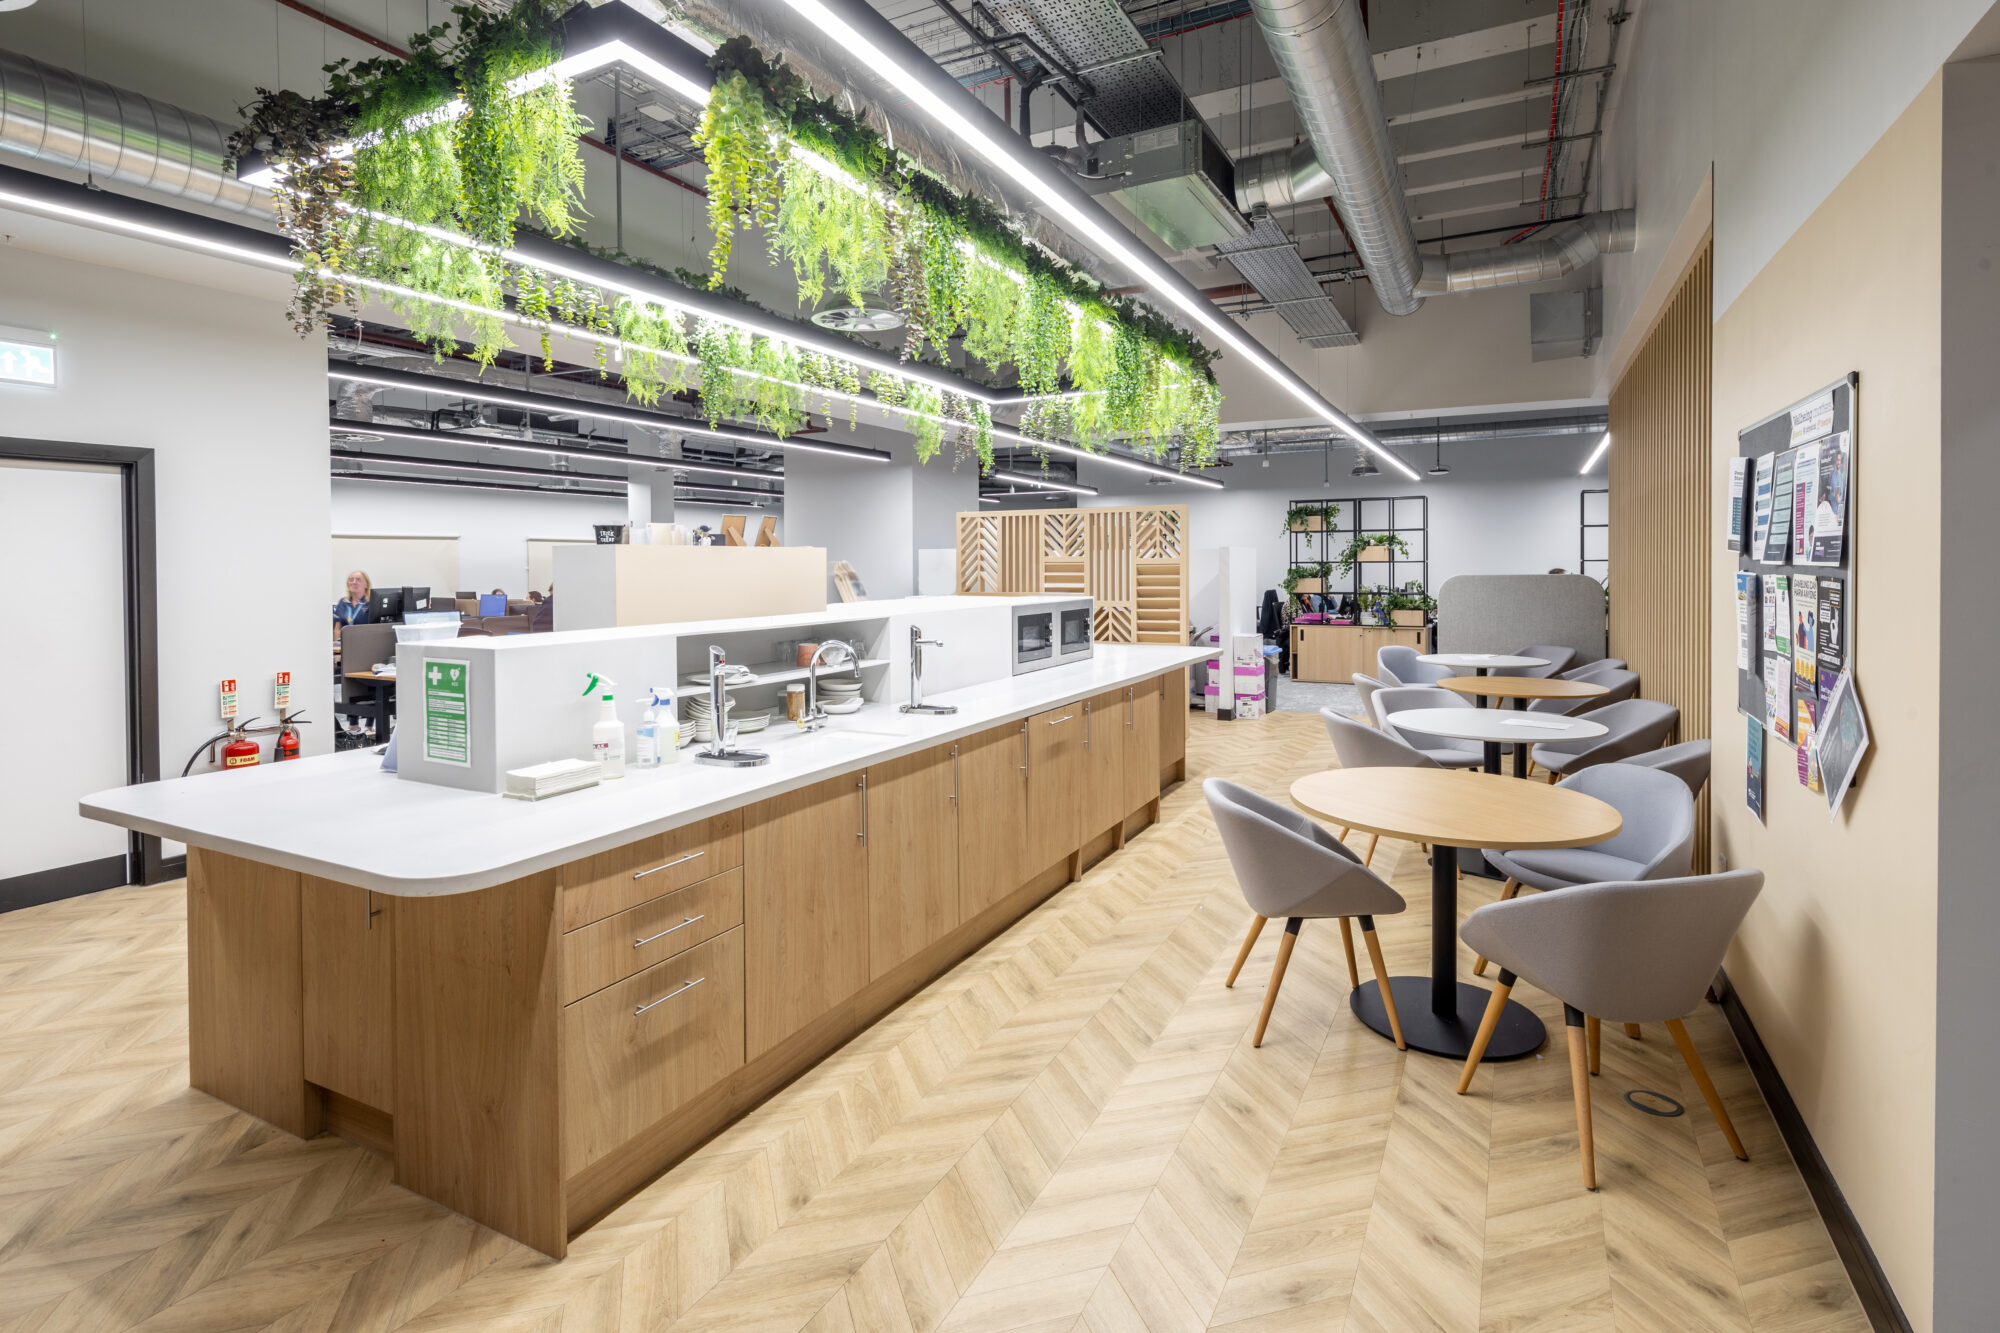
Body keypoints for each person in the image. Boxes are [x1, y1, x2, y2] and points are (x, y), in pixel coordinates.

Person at [334, 570, 372, 638]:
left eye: (358, 580)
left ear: (366, 585)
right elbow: (337, 629)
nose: (354, 582)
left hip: (365, 642)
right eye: (351, 580)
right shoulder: (342, 602)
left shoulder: (371, 603)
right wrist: (338, 645)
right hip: (345, 643)